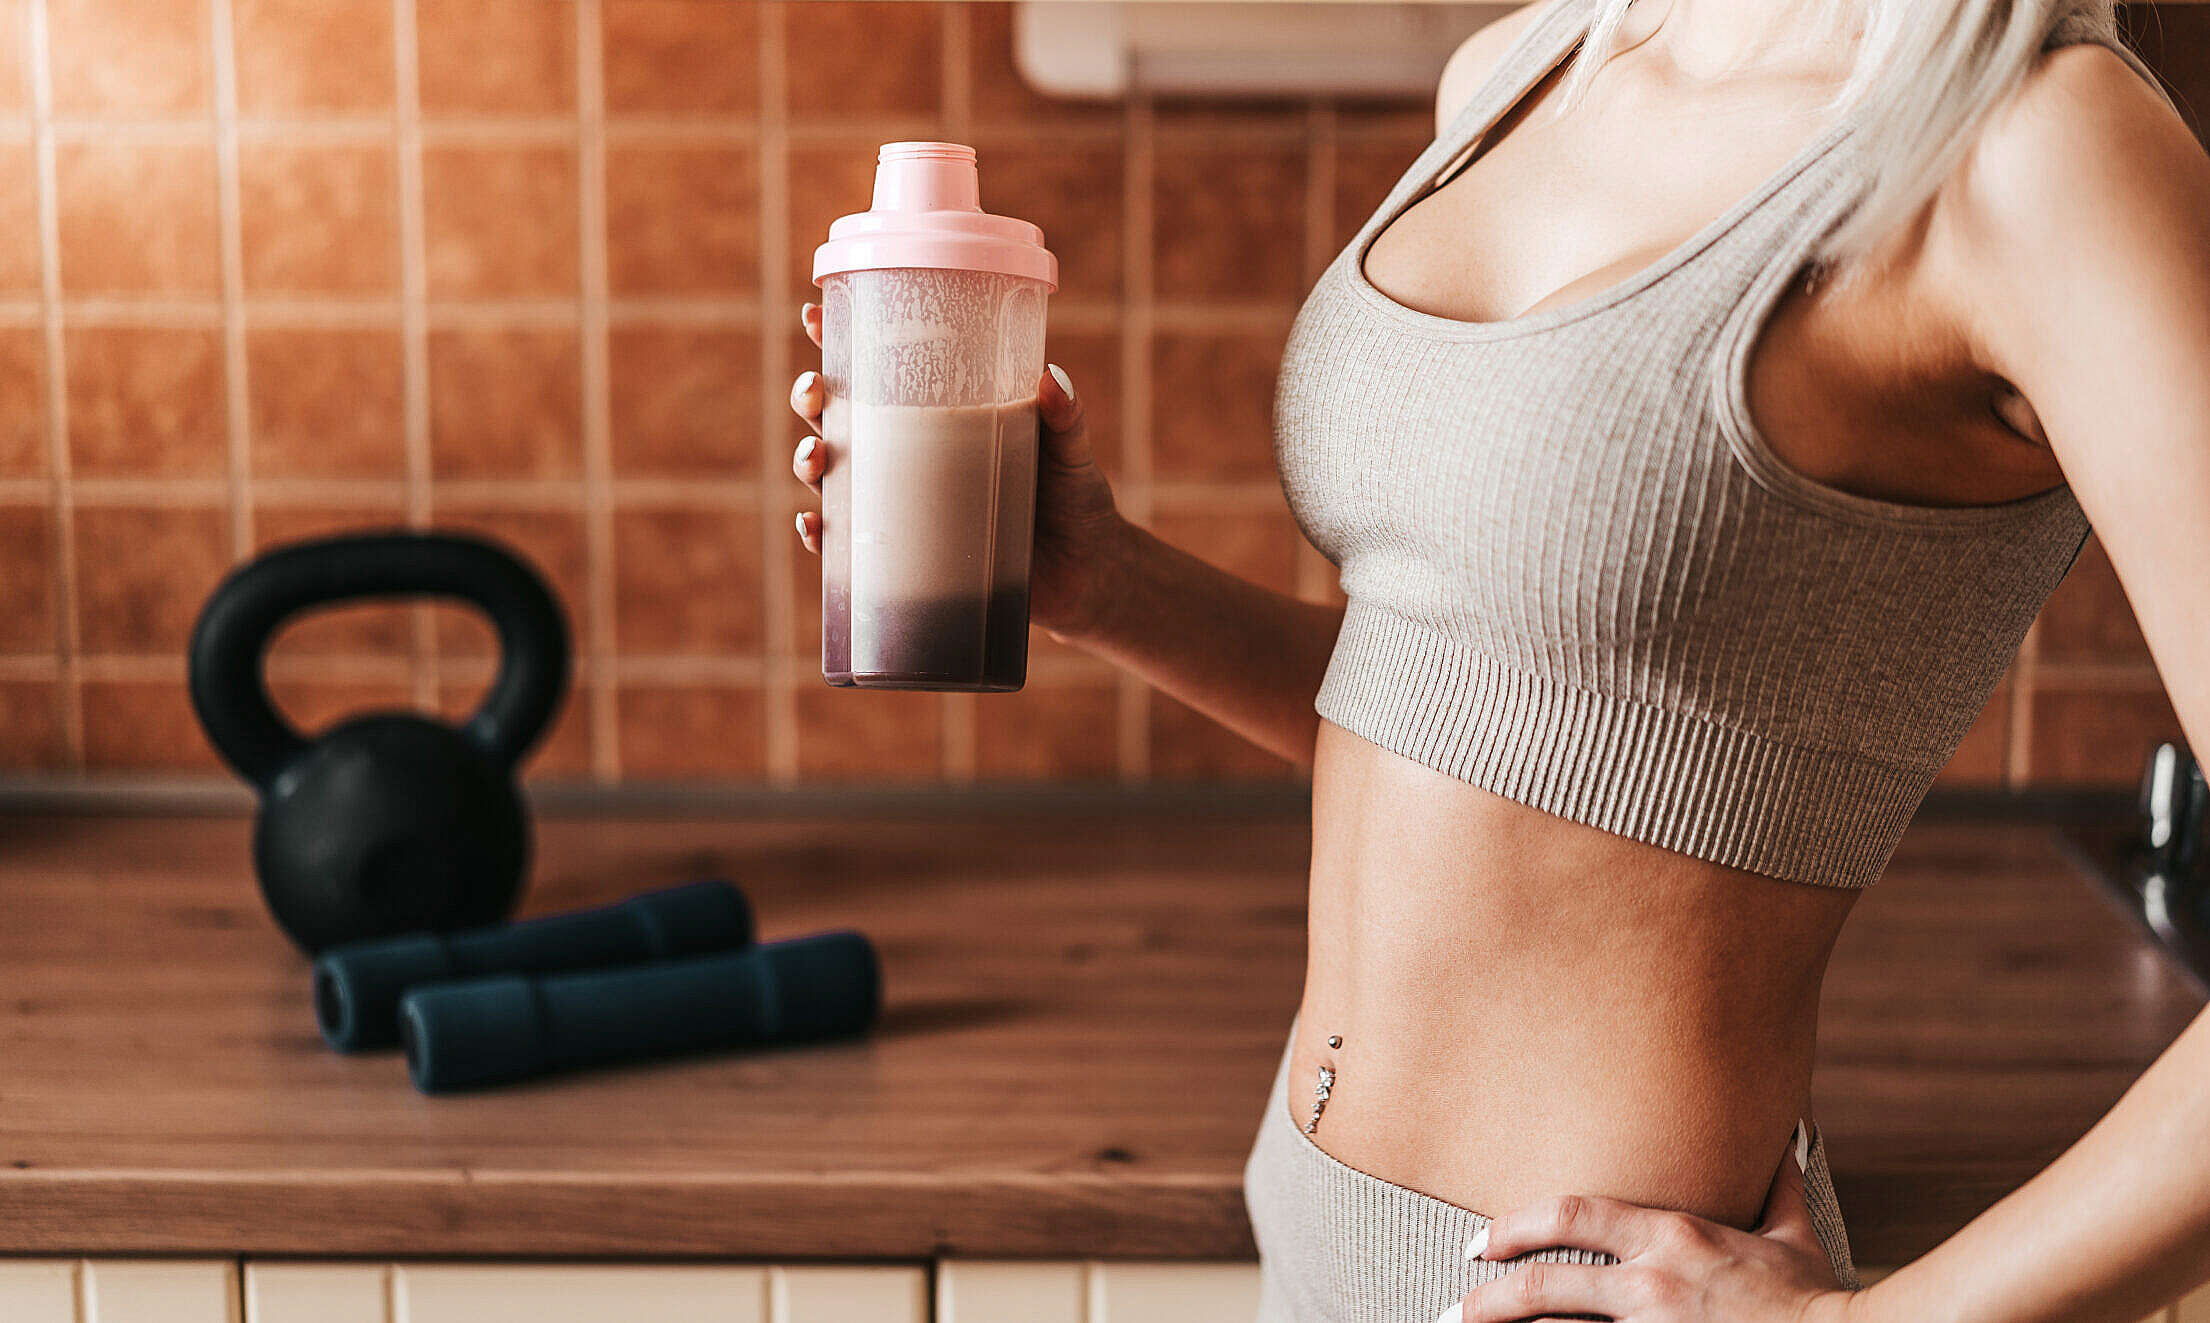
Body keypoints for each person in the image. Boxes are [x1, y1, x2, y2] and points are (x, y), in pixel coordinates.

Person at [792, 0, 2210, 1317]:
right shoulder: (1525, 70)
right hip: (1311, 1222)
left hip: (1575, 1286)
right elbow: (1516, 728)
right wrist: (1111, 586)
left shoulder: (2038, 150)